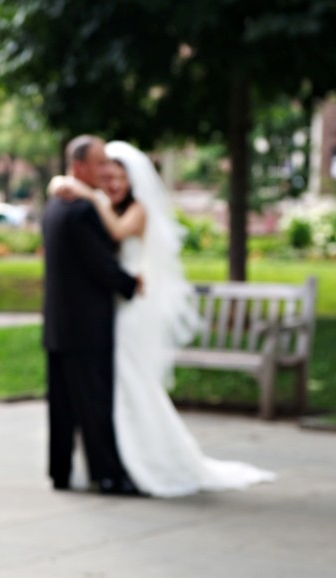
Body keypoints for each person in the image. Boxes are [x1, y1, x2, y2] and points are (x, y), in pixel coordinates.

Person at [51, 141, 275, 497]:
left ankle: (140, 458)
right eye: (107, 176)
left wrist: (88, 195)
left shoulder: (134, 210)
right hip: (110, 307)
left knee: (129, 381)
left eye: (118, 176)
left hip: (130, 305)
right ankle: (112, 459)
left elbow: (117, 234)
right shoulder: (104, 205)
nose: (112, 183)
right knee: (113, 387)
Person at [41, 135, 141, 495]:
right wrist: (131, 283)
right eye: (99, 163)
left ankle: (60, 472)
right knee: (94, 402)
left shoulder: (55, 203)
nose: (105, 170)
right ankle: (107, 475)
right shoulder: (82, 209)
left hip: (58, 324)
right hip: (86, 326)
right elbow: (101, 265)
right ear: (80, 166)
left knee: (62, 407)